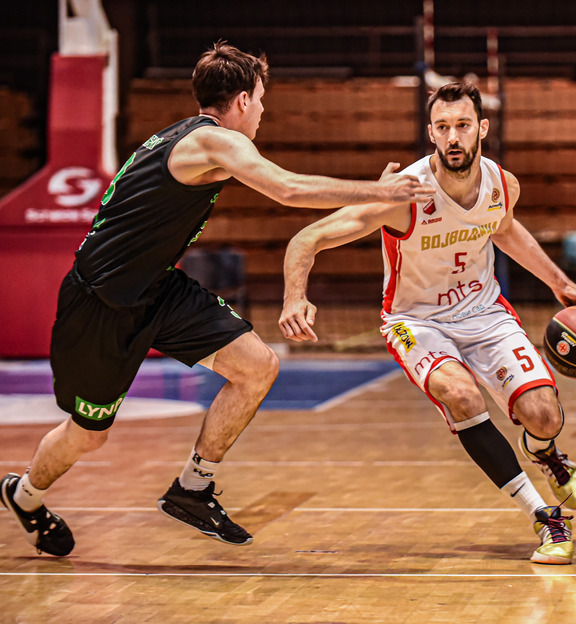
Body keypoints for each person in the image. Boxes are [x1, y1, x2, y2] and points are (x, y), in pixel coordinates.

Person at [0, 41, 434, 557]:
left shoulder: (196, 140)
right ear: (244, 100)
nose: (263, 112)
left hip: (157, 289)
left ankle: (192, 488)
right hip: (100, 304)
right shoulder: (211, 141)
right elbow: (288, 189)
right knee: (88, 434)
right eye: (262, 100)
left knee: (257, 366)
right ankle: (24, 495)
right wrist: (382, 192)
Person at [279, 81, 576, 565]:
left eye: (462, 125)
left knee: (545, 415)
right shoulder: (403, 195)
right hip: (416, 320)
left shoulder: (502, 184)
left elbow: (504, 229)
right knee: (462, 395)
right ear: (431, 133)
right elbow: (307, 239)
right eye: (443, 127)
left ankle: (544, 451)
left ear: (482, 128)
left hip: (483, 312)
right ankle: (544, 516)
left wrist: (560, 284)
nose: (453, 137)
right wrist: (294, 296)